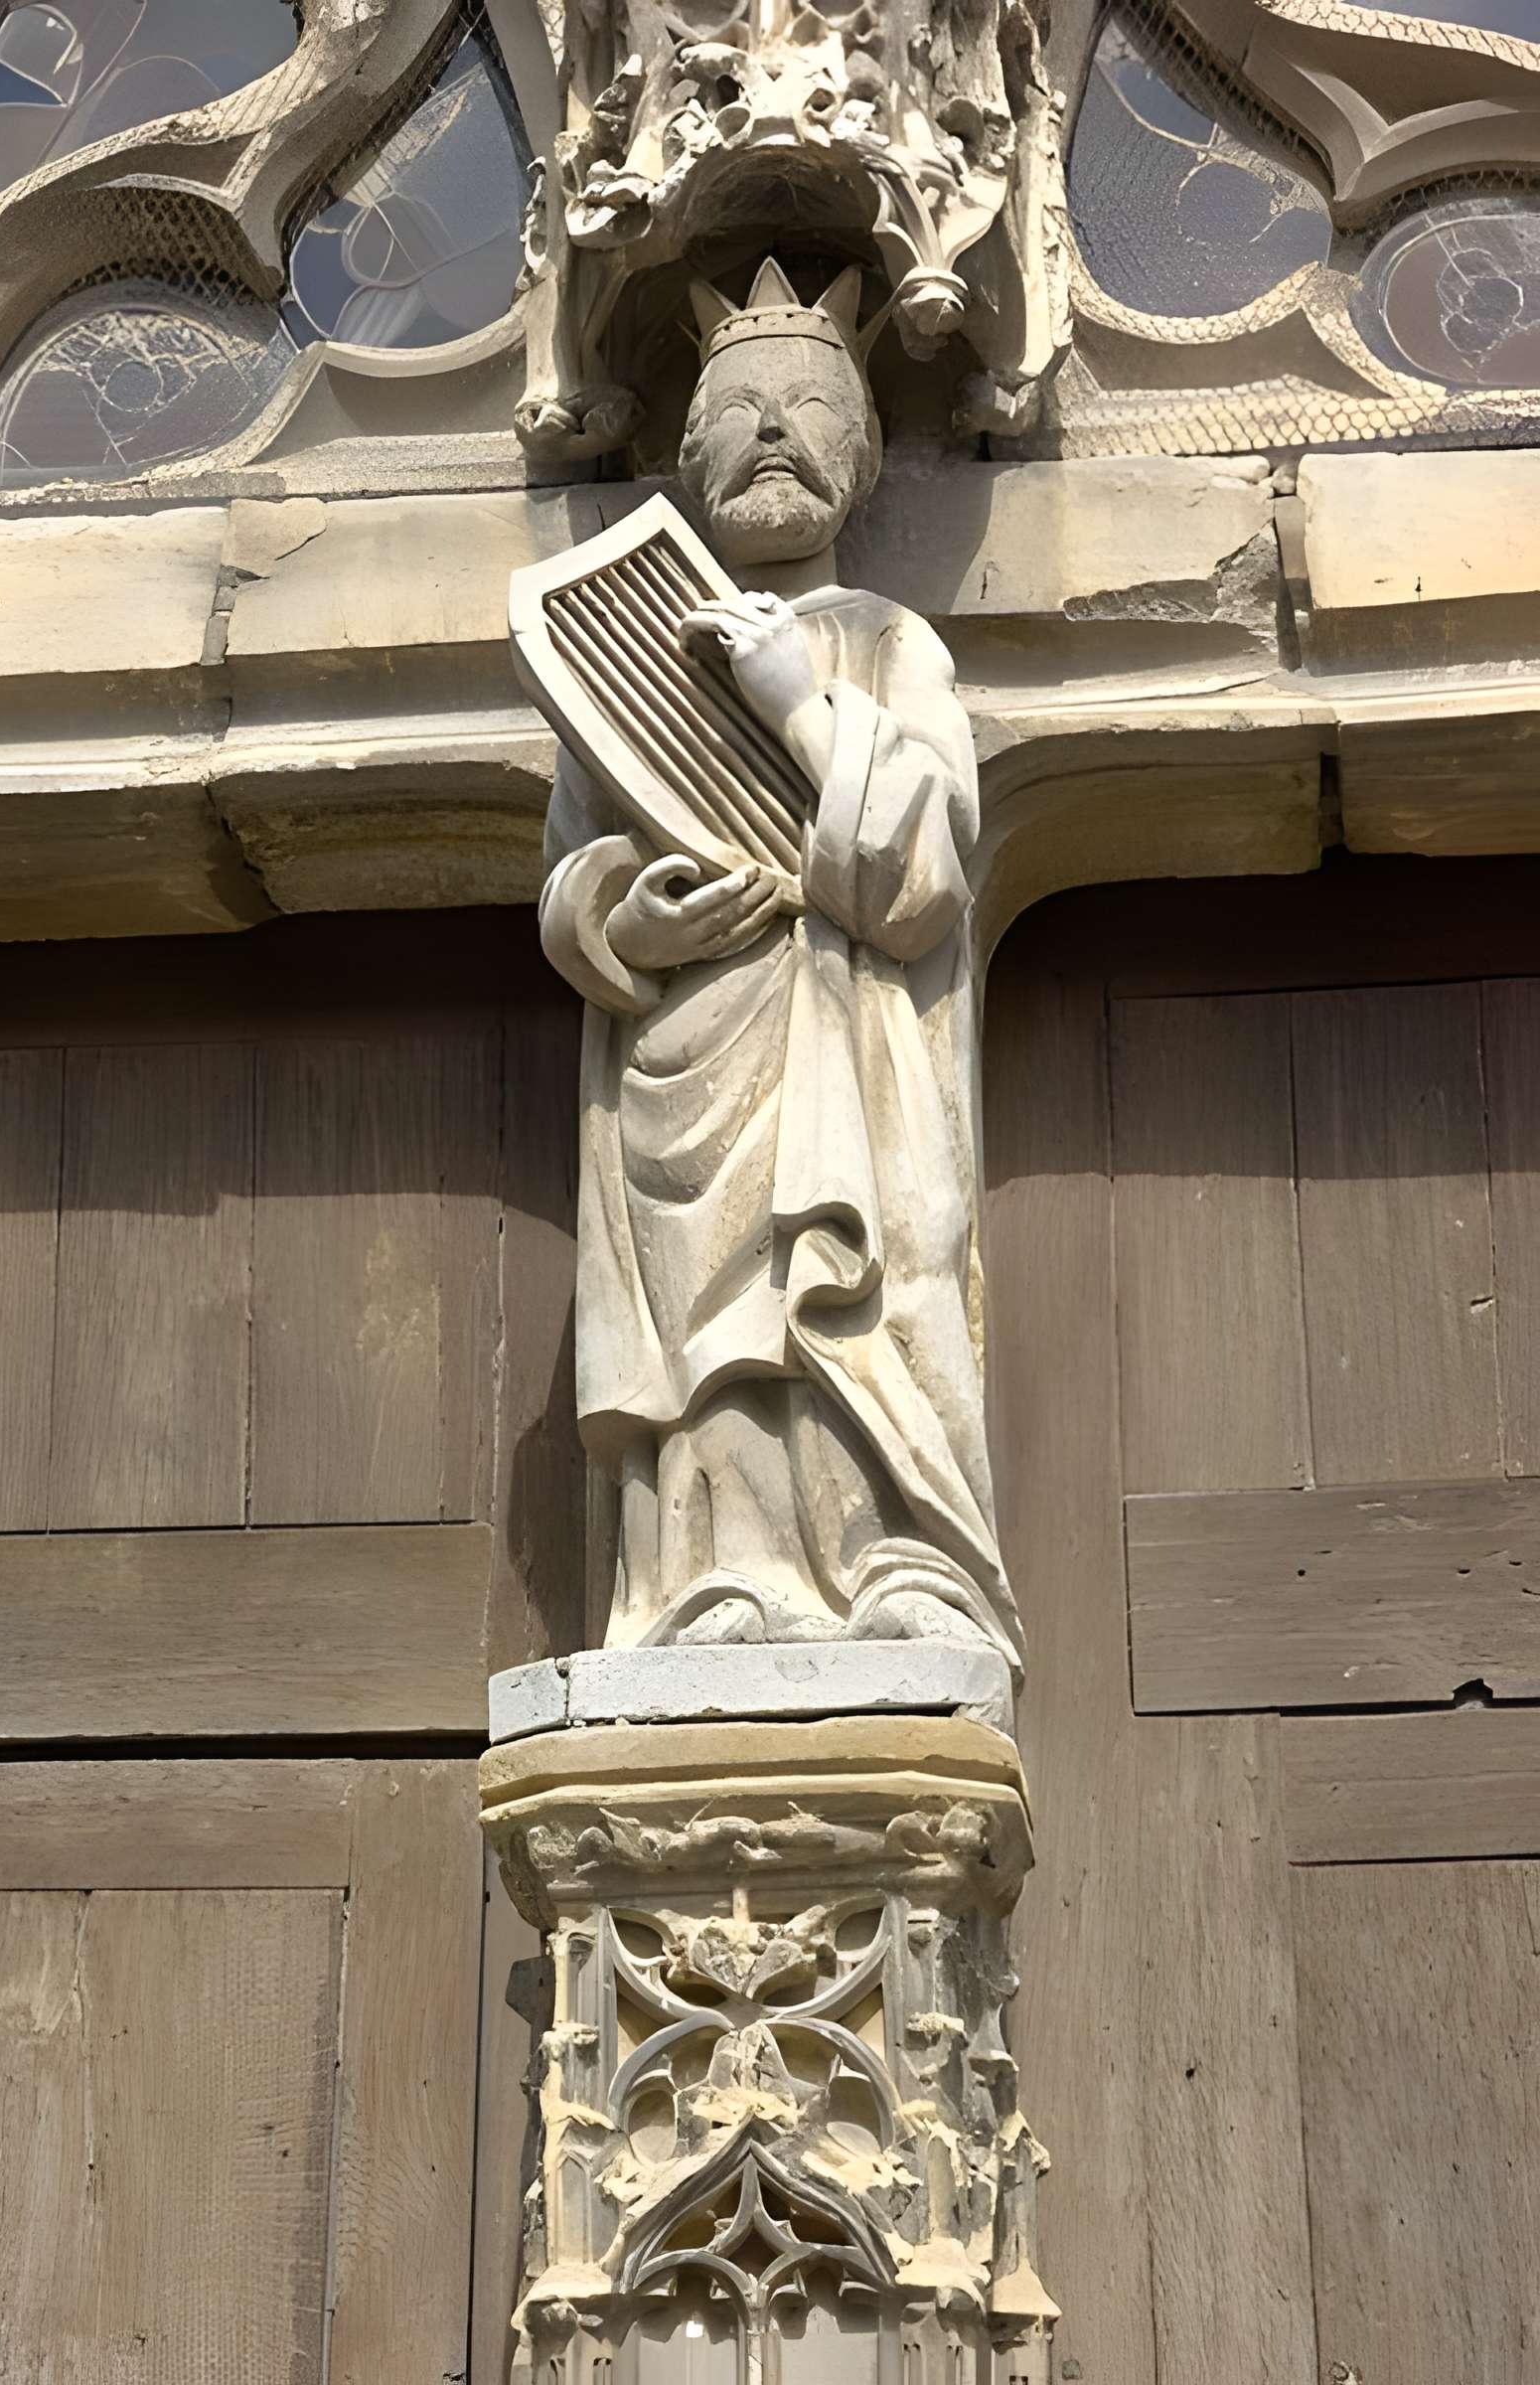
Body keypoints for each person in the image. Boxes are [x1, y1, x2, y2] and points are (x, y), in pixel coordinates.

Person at [537, 257, 1022, 1670]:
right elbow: (571, 875)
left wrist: (798, 702)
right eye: (740, 405)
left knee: (865, 1289)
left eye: (809, 403)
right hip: (690, 1058)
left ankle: (901, 1562)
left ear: (859, 456)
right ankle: (719, 1578)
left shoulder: (886, 644)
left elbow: (923, 865)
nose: (771, 428)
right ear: (692, 455)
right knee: (718, 1321)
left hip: (857, 1046)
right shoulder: (630, 658)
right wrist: (627, 926)